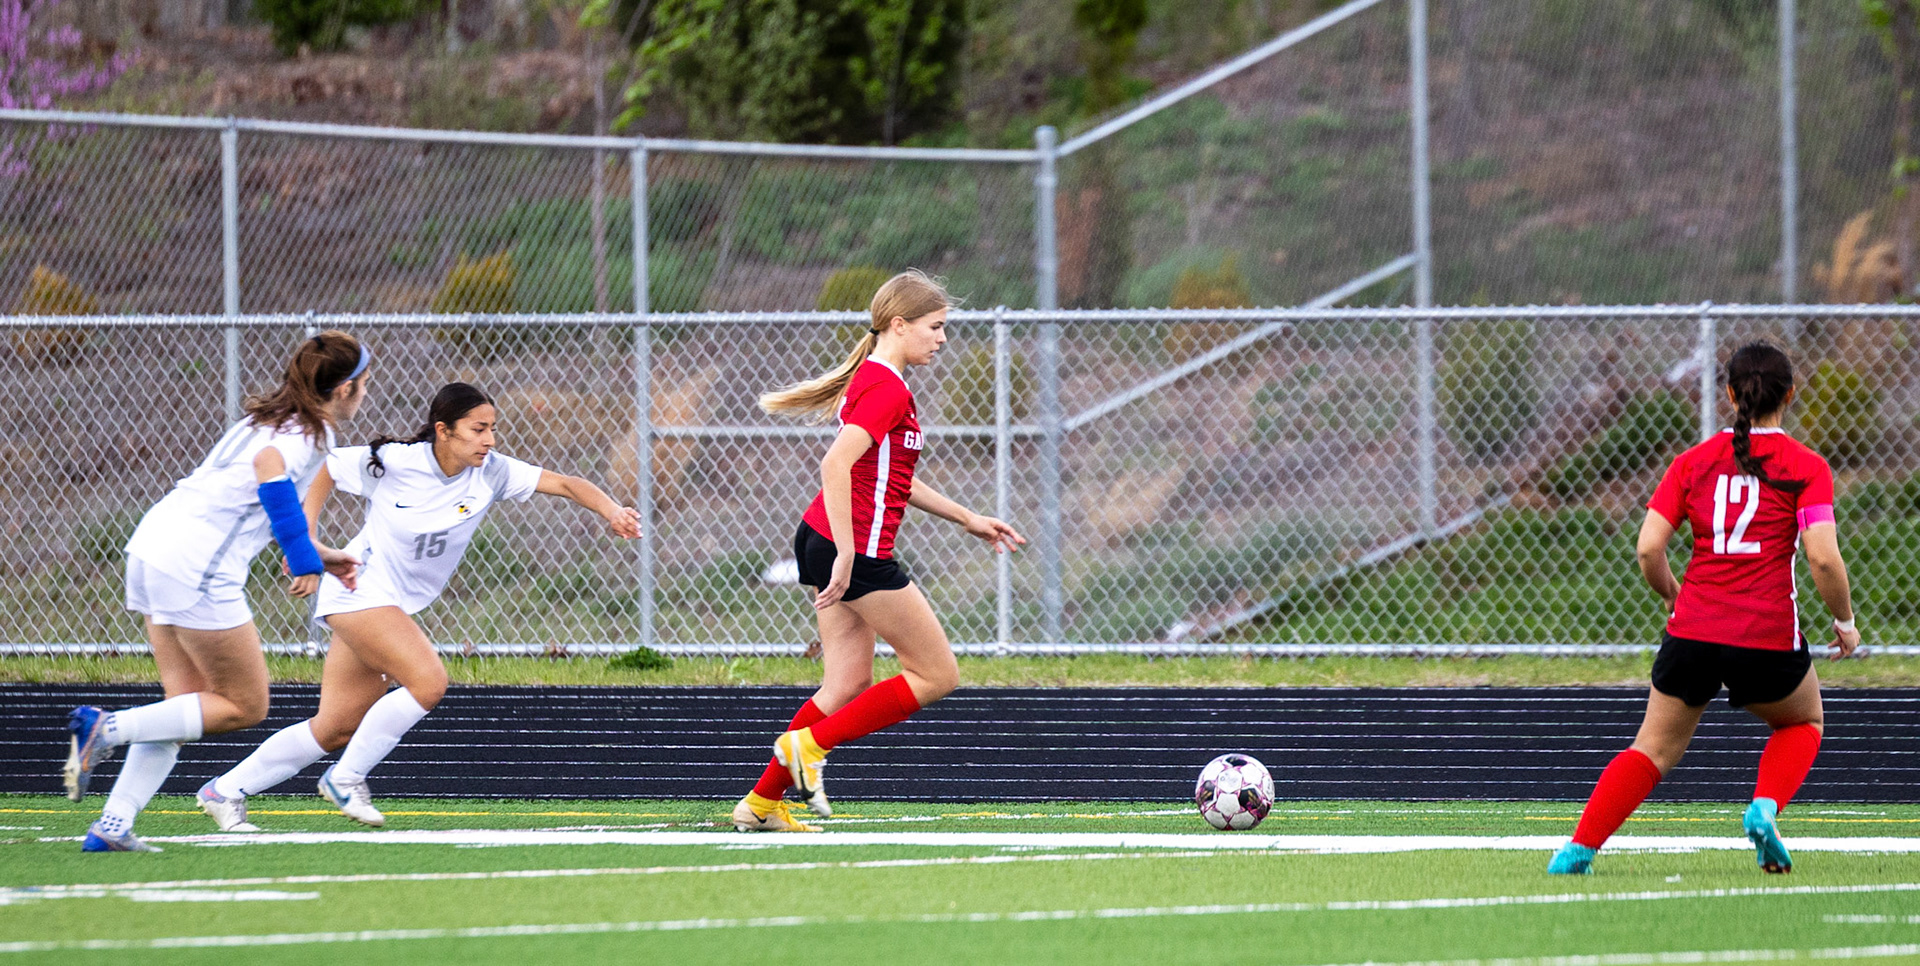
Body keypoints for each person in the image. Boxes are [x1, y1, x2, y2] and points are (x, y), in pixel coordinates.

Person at [197, 382, 641, 829]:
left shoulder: (492, 472)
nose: (490, 439)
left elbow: (565, 483)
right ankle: (346, 779)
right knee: (428, 682)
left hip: (384, 602)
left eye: (492, 428)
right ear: (443, 430)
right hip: (358, 588)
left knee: (335, 727)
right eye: (479, 429)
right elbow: (326, 468)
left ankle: (224, 790)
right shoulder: (396, 461)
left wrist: (612, 512)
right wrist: (306, 540)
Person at [1548, 342, 1859, 875]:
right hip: (1764, 635)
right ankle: (1764, 810)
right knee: (1803, 721)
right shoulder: (1807, 467)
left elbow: (1649, 549)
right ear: (1790, 395)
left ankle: (1577, 851)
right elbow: (1823, 559)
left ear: (1730, 395)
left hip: (1692, 630)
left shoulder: (1692, 463)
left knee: (1651, 750)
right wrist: (1845, 622)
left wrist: (1673, 593)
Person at [732, 269, 1025, 833]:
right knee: (936, 674)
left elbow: (891, 477)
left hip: (823, 539)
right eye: (935, 326)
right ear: (899, 324)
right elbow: (835, 464)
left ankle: (761, 804)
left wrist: (967, 518)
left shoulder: (877, 378)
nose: (942, 338)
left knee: (845, 684)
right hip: (853, 550)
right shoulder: (888, 388)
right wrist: (847, 553)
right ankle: (807, 747)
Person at [64, 332, 370, 852]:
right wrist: (301, 557)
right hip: (196, 565)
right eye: (364, 383)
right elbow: (268, 469)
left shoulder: (265, 418)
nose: (365, 392)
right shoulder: (309, 435)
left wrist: (321, 555)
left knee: (184, 706)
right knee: (245, 705)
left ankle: (113, 826)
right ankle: (107, 728)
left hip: (154, 546)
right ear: (344, 389)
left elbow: (249, 497)